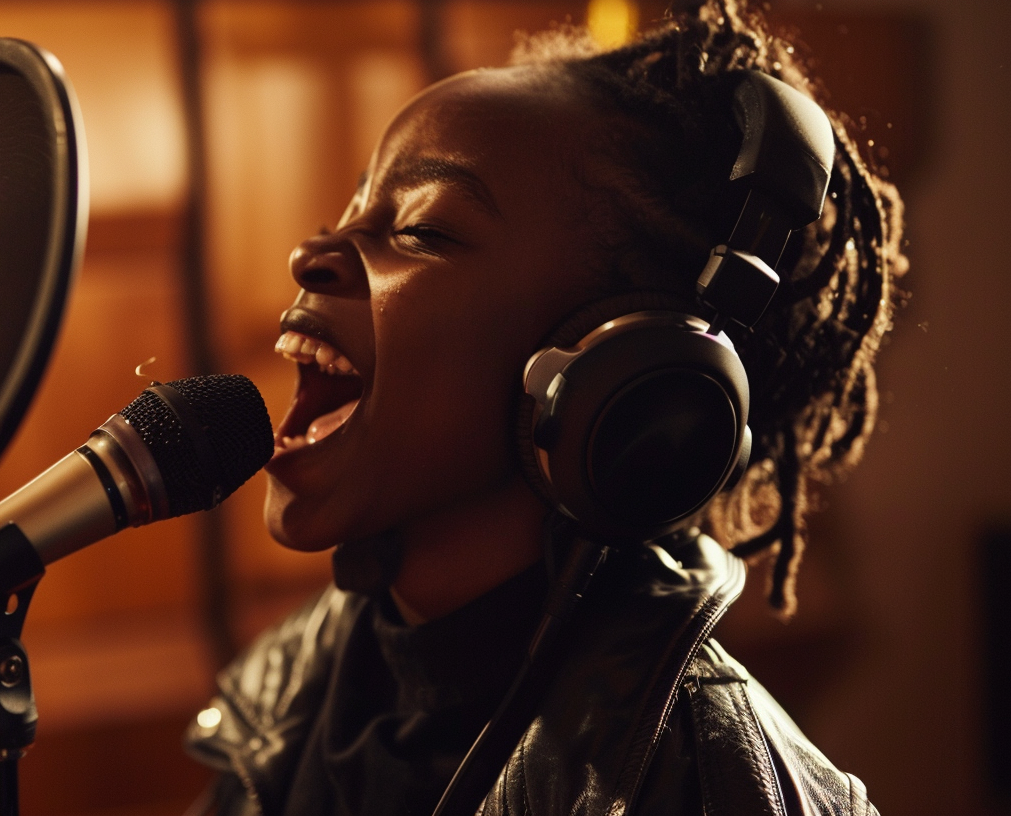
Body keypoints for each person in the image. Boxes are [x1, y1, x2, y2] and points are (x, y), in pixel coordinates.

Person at [186, 2, 906, 814]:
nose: (309, 255)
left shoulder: (716, 787)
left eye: (421, 229)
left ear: (618, 374)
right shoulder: (282, 705)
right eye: (350, 215)